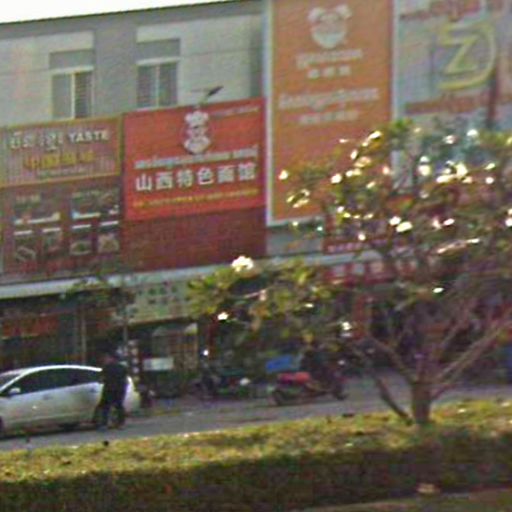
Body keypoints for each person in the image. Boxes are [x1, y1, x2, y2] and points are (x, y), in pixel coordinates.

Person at [98, 352, 129, 430]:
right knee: (119, 406)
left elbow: (101, 379)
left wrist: (102, 381)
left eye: (106, 358)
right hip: (120, 389)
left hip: (109, 389)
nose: (104, 359)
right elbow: (126, 379)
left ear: (111, 358)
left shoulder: (106, 367)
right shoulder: (122, 367)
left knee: (105, 407)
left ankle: (104, 424)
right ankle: (121, 424)